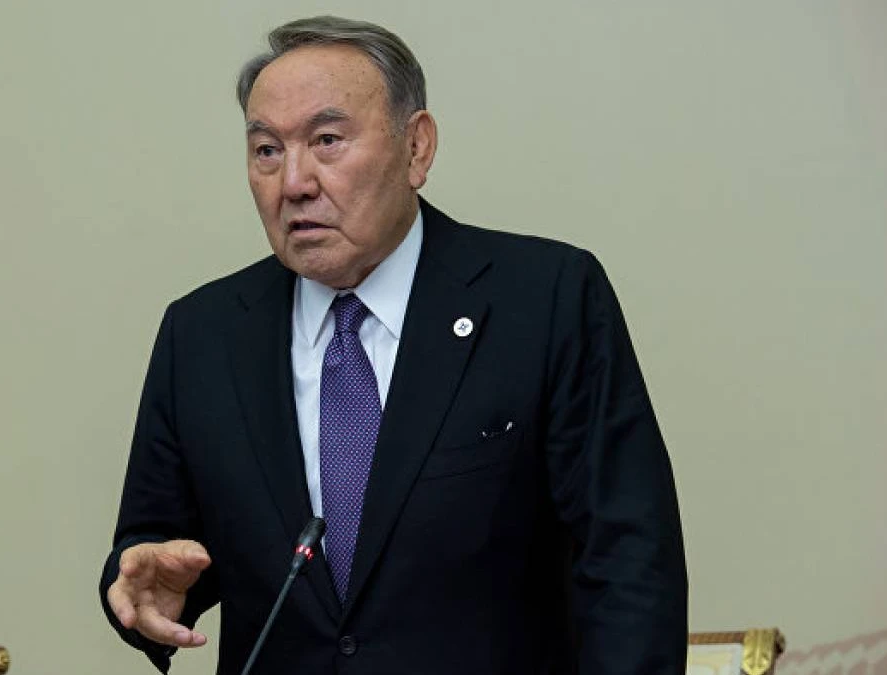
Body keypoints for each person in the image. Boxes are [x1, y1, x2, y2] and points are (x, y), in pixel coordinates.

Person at [100, 15, 687, 675]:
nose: (293, 182)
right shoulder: (202, 334)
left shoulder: (544, 300)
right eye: (266, 150)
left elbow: (630, 563)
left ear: (417, 148)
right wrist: (143, 589)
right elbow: (154, 550)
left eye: (327, 140)